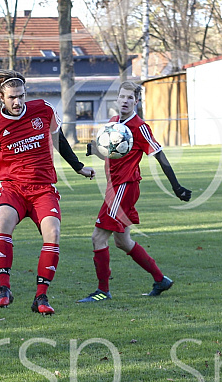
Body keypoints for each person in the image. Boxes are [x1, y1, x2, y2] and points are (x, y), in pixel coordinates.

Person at [0, 70, 95, 315]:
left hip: (43, 188)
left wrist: (79, 167)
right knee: (3, 223)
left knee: (52, 234)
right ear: (1, 97)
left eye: (21, 96)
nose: (18, 102)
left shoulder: (43, 109)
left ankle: (41, 297)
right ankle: (4, 289)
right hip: (13, 188)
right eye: (12, 97)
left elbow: (59, 139)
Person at [77, 81, 191, 303]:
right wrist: (95, 149)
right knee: (122, 241)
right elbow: (109, 154)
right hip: (115, 186)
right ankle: (161, 280)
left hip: (125, 187)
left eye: (130, 98)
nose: (125, 101)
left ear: (136, 101)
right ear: (117, 99)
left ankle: (103, 291)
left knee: (98, 237)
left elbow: (159, 155)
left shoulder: (140, 127)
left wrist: (176, 186)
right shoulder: (112, 123)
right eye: (122, 97)